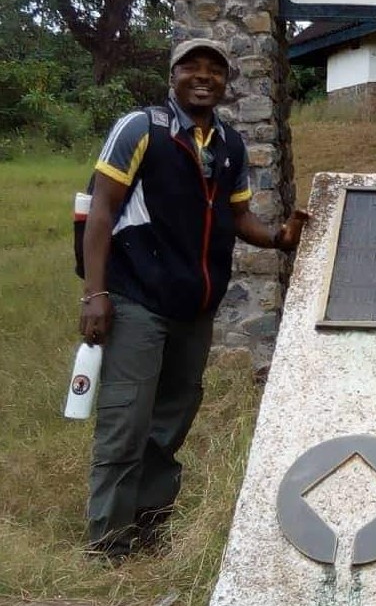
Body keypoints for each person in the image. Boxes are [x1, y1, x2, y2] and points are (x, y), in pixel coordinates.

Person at [79, 38, 307, 560]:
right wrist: (95, 294)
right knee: (127, 418)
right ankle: (109, 540)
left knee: (171, 418)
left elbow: (237, 216)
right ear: (173, 74)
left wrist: (276, 239)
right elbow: (101, 212)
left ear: (226, 83)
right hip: (137, 298)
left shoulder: (229, 142)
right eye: (192, 67)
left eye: (215, 70)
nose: (203, 77)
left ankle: (149, 525)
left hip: (196, 307)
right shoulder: (140, 129)